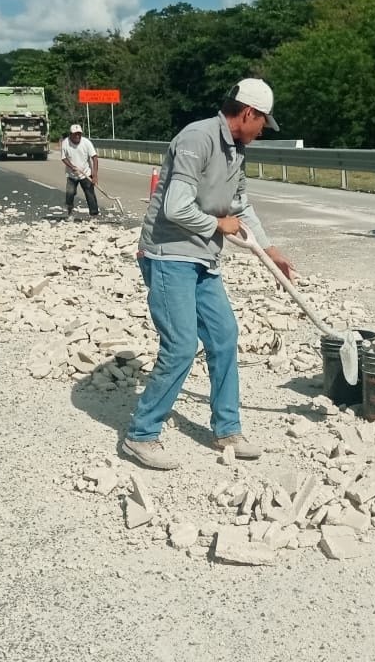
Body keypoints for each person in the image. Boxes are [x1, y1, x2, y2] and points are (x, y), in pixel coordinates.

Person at [121, 78, 294, 471]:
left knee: (223, 336)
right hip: (167, 254)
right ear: (248, 113)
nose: (263, 130)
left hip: (202, 259)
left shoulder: (236, 150)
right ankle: (141, 434)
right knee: (181, 345)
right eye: (263, 122)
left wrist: (269, 250)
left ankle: (227, 429)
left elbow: (239, 205)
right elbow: (174, 208)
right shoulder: (196, 139)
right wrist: (218, 224)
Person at [60, 123, 100, 219]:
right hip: (71, 174)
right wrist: (72, 166)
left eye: (79, 134)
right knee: (70, 193)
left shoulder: (86, 143)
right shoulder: (65, 143)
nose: (77, 136)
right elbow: (64, 158)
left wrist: (94, 175)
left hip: (85, 173)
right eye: (75, 134)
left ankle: (93, 216)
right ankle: (70, 213)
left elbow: (95, 158)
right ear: (71, 134)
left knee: (90, 194)